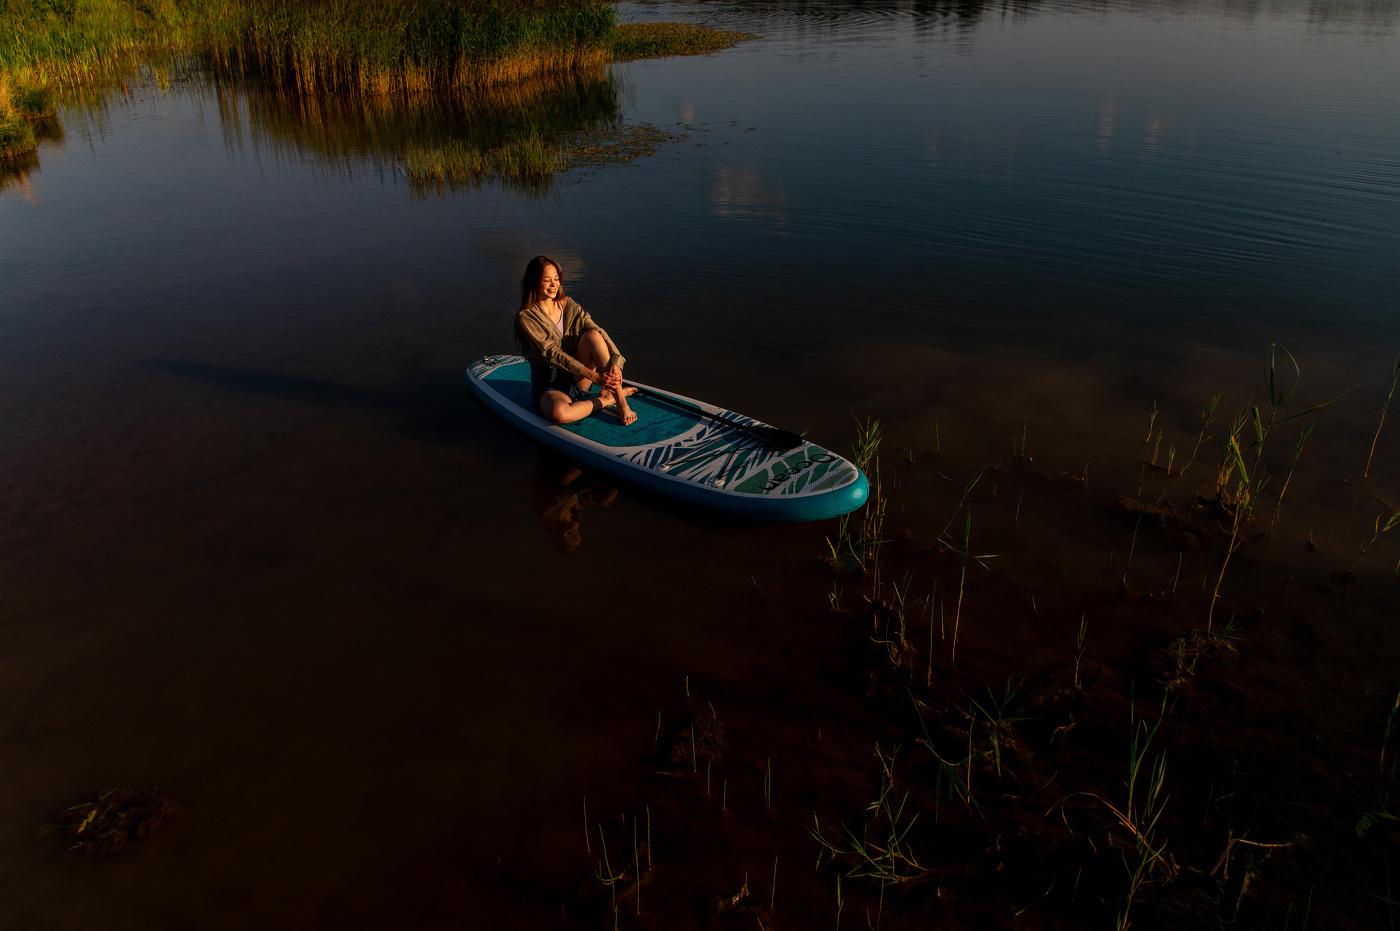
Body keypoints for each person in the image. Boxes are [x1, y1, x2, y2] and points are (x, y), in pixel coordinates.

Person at [514, 255, 637, 426]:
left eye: (556, 279)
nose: (553, 285)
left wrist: (616, 360)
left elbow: (599, 331)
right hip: (550, 382)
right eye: (547, 280)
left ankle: (621, 403)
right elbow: (552, 353)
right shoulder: (526, 318)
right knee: (560, 415)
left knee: (593, 335)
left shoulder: (568, 305)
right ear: (535, 282)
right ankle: (607, 400)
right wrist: (594, 376)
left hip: (578, 377)